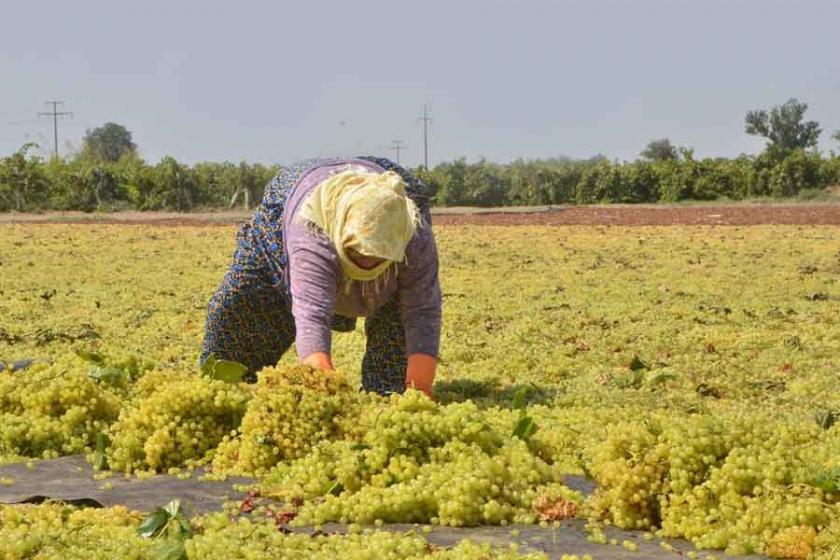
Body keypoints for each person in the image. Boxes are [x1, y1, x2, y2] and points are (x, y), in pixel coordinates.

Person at [200, 156, 441, 396]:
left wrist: (418, 392)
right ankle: (226, 391)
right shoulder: (312, 233)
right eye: (358, 251)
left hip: (386, 184)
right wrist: (327, 394)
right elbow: (311, 314)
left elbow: (422, 312)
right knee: (242, 306)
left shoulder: (413, 233)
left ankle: (387, 390)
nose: (367, 262)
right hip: (295, 200)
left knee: (394, 380)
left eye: (378, 255)